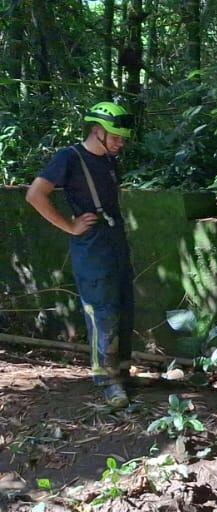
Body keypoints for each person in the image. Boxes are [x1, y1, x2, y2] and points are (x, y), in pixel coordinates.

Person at [24, 102, 138, 409]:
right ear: (97, 131)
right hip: (92, 244)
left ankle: (122, 371)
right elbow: (35, 194)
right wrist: (70, 227)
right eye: (115, 136)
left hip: (115, 239)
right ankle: (107, 381)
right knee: (102, 311)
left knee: (124, 304)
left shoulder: (111, 161)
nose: (120, 142)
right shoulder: (68, 158)